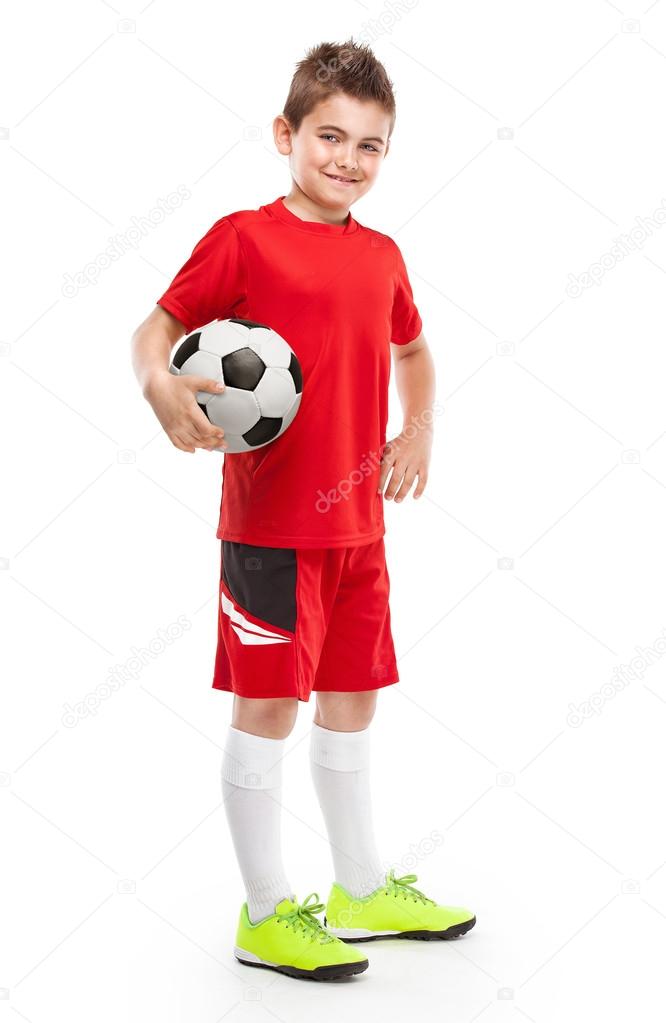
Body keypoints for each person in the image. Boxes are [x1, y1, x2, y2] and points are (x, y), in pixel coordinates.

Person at [131, 37, 475, 982]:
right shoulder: (244, 238)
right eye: (329, 136)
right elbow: (153, 329)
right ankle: (267, 912)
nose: (347, 161)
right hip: (272, 534)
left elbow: (413, 353)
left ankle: (360, 886)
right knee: (270, 707)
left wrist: (421, 430)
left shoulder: (384, 255)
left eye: (370, 145)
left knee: (354, 698)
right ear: (285, 134)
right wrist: (161, 384)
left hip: (360, 527)